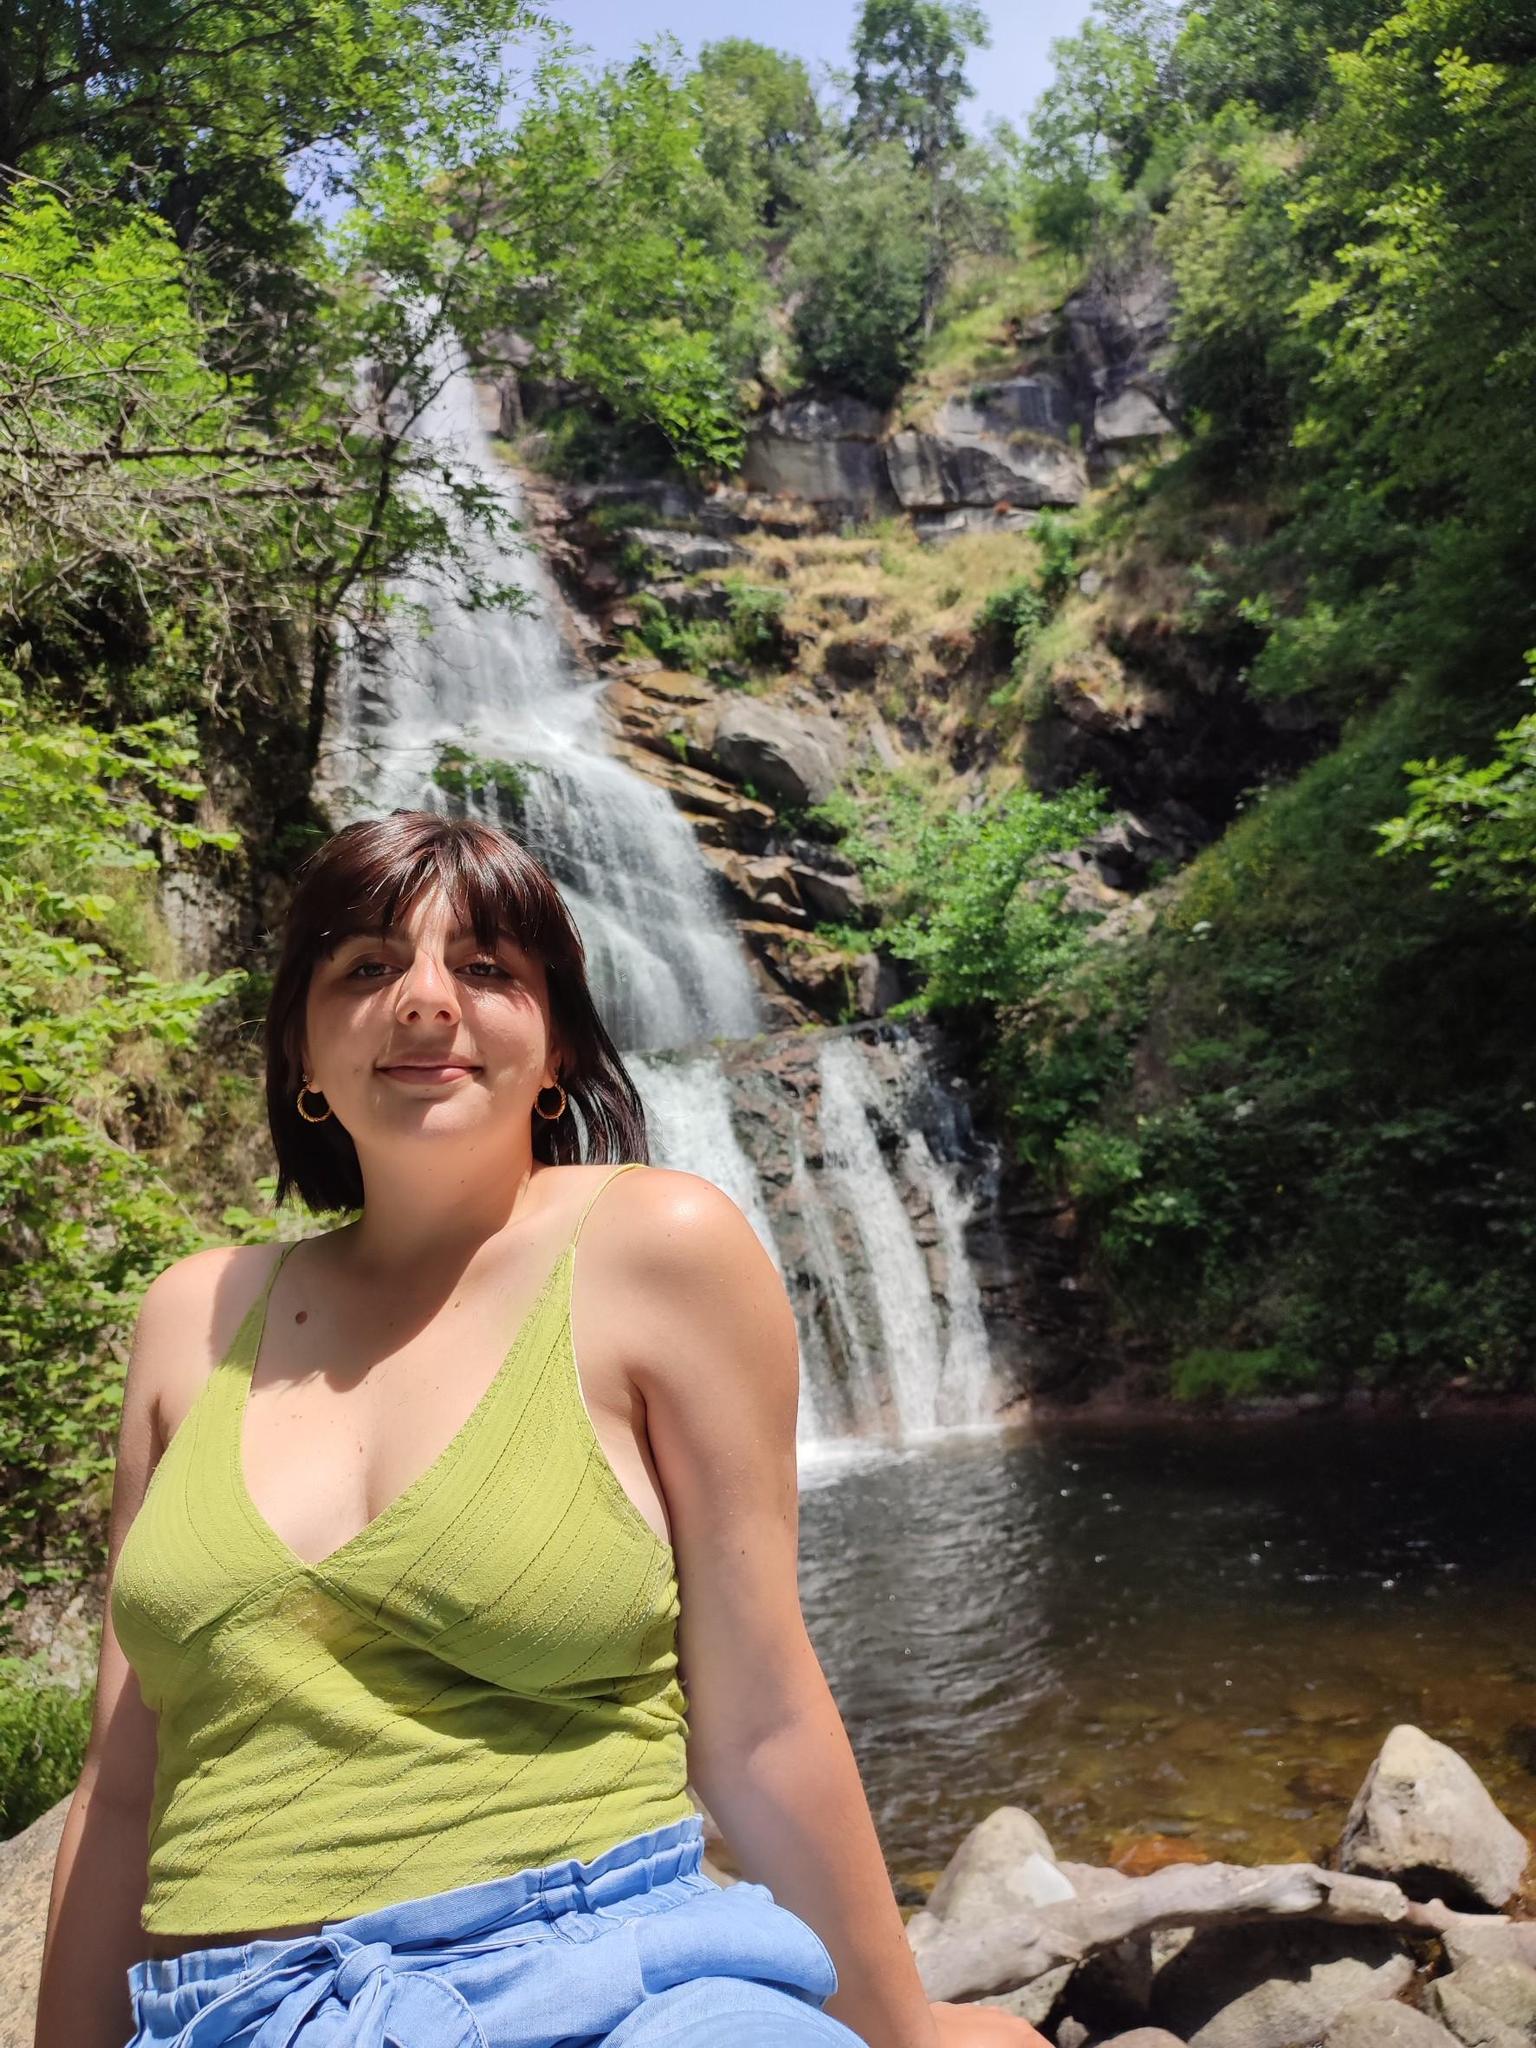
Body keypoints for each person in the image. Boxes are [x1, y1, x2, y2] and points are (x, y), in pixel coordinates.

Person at [33, 810, 1046, 2048]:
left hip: (628, 1975)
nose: (425, 999)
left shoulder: (657, 1247)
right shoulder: (191, 1317)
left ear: (557, 1042)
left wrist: (905, 2033)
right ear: (301, 1044)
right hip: (249, 2010)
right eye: (366, 965)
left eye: (485, 967)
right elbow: (123, 1784)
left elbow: (762, 1718)